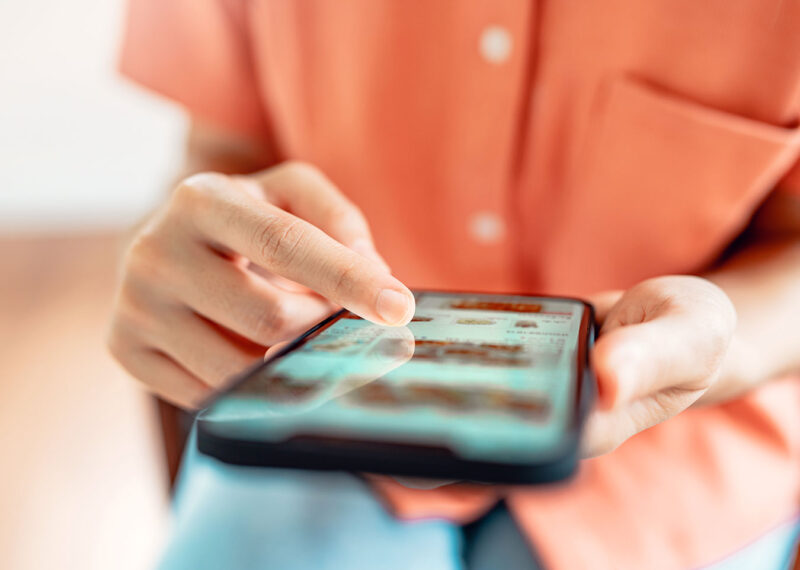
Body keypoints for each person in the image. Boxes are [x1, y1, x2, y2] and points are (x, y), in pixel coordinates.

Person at [108, 1, 800, 568]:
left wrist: (728, 339)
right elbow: (227, 155)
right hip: (330, 389)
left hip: (689, 438)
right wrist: (206, 258)